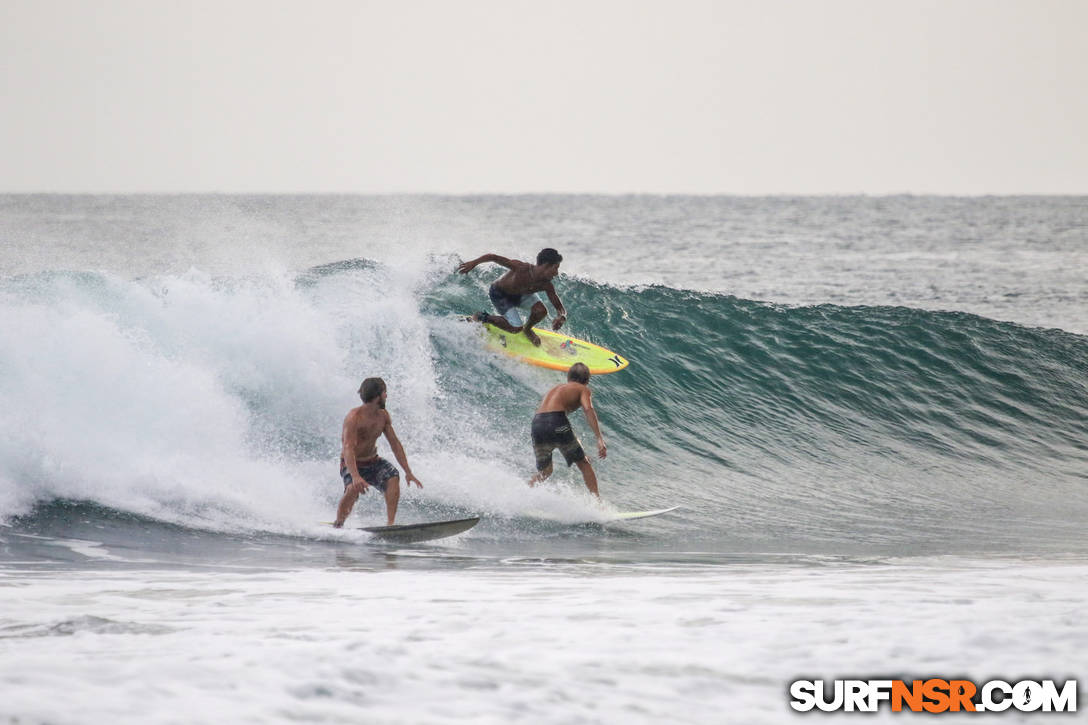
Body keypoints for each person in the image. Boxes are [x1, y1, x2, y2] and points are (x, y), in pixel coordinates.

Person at [333, 377, 422, 527]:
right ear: (377, 397)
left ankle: (390, 525)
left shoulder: (383, 416)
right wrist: (355, 476)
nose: (386, 396)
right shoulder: (354, 418)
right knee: (352, 490)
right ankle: (339, 524)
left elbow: (395, 444)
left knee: (393, 476)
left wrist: (408, 471)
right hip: (352, 463)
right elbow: (348, 448)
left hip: (373, 461)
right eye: (384, 393)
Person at [457, 248, 568, 346]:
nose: (556, 273)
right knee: (515, 328)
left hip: (521, 296)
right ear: (546, 266)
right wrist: (474, 263)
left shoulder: (546, 284)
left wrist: (561, 316)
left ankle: (527, 330)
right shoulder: (521, 268)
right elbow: (493, 257)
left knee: (541, 311)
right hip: (500, 295)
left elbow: (558, 305)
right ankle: (481, 316)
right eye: (555, 268)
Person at [529, 362, 607, 497]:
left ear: (568, 377)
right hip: (556, 421)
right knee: (584, 463)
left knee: (545, 471)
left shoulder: (555, 389)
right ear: (587, 380)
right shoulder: (583, 389)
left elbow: (546, 416)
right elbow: (588, 409)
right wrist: (599, 438)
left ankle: (522, 494)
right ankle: (598, 505)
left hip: (537, 424)